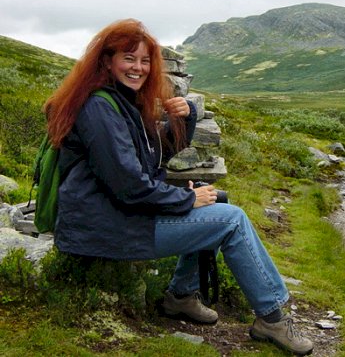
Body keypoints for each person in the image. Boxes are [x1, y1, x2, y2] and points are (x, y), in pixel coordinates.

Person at [44, 19, 313, 356]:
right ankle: (271, 318)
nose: (138, 68)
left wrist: (183, 119)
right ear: (107, 61)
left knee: (216, 199)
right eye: (129, 58)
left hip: (116, 215)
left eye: (144, 61)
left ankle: (182, 296)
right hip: (105, 226)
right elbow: (129, 186)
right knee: (230, 219)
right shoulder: (100, 108)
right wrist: (185, 198)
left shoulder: (122, 102)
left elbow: (155, 157)